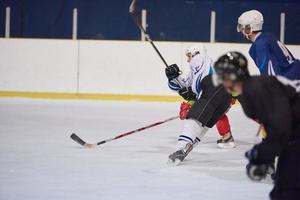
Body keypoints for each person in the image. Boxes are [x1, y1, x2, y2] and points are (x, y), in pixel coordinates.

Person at [213, 51, 300, 200]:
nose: (220, 81)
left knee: (286, 191)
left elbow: (282, 128)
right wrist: (263, 155)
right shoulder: (250, 91)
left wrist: (261, 154)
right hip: (294, 136)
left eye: (222, 76)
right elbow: (277, 127)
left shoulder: (256, 89)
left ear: (232, 76)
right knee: (283, 191)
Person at [165, 45, 233, 164]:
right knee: (203, 126)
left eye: (189, 56)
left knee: (194, 118)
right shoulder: (201, 68)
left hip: (213, 90)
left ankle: (180, 148)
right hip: (224, 98)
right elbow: (185, 84)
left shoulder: (201, 60)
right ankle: (185, 149)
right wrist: (173, 77)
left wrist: (190, 97)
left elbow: (192, 87)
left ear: (197, 54)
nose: (188, 60)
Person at [237, 10, 300, 80]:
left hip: (292, 81)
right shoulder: (268, 36)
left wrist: (269, 88)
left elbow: (270, 76)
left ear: (248, 29)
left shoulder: (260, 45)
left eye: (242, 27)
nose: (241, 30)